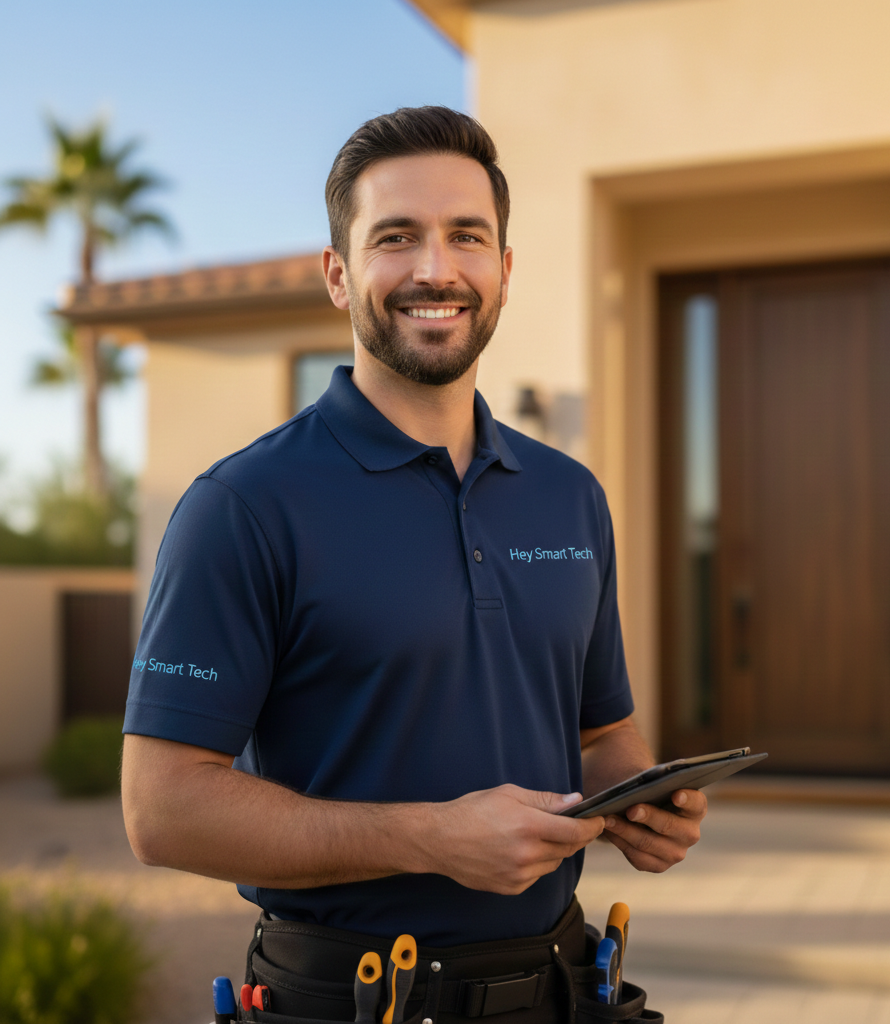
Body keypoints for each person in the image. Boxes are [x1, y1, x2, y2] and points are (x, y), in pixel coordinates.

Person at [120, 106, 706, 1023]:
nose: (437, 269)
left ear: (504, 273)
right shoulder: (242, 508)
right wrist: (430, 838)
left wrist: (639, 800)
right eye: (397, 237)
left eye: (466, 237)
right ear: (338, 273)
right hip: (350, 1000)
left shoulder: (570, 497)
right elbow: (161, 810)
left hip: (563, 988)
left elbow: (600, 736)